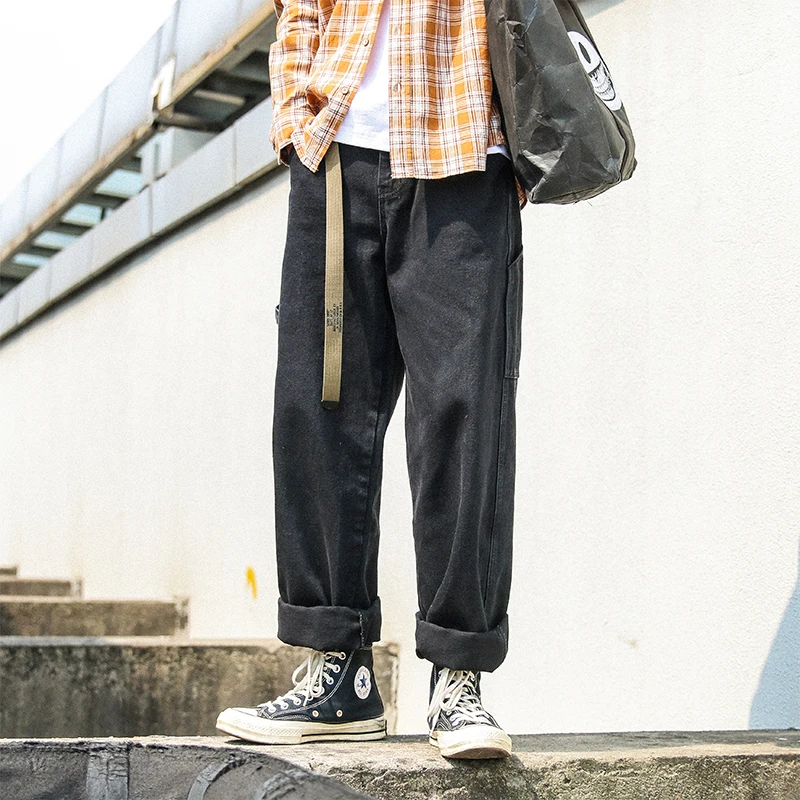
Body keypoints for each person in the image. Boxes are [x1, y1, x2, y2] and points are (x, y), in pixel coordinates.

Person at [216, 0, 526, 760]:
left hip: (462, 148)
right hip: (335, 153)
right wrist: (294, 123)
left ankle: (458, 676)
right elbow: (301, 10)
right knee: (318, 411)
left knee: (463, 413)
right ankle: (338, 670)